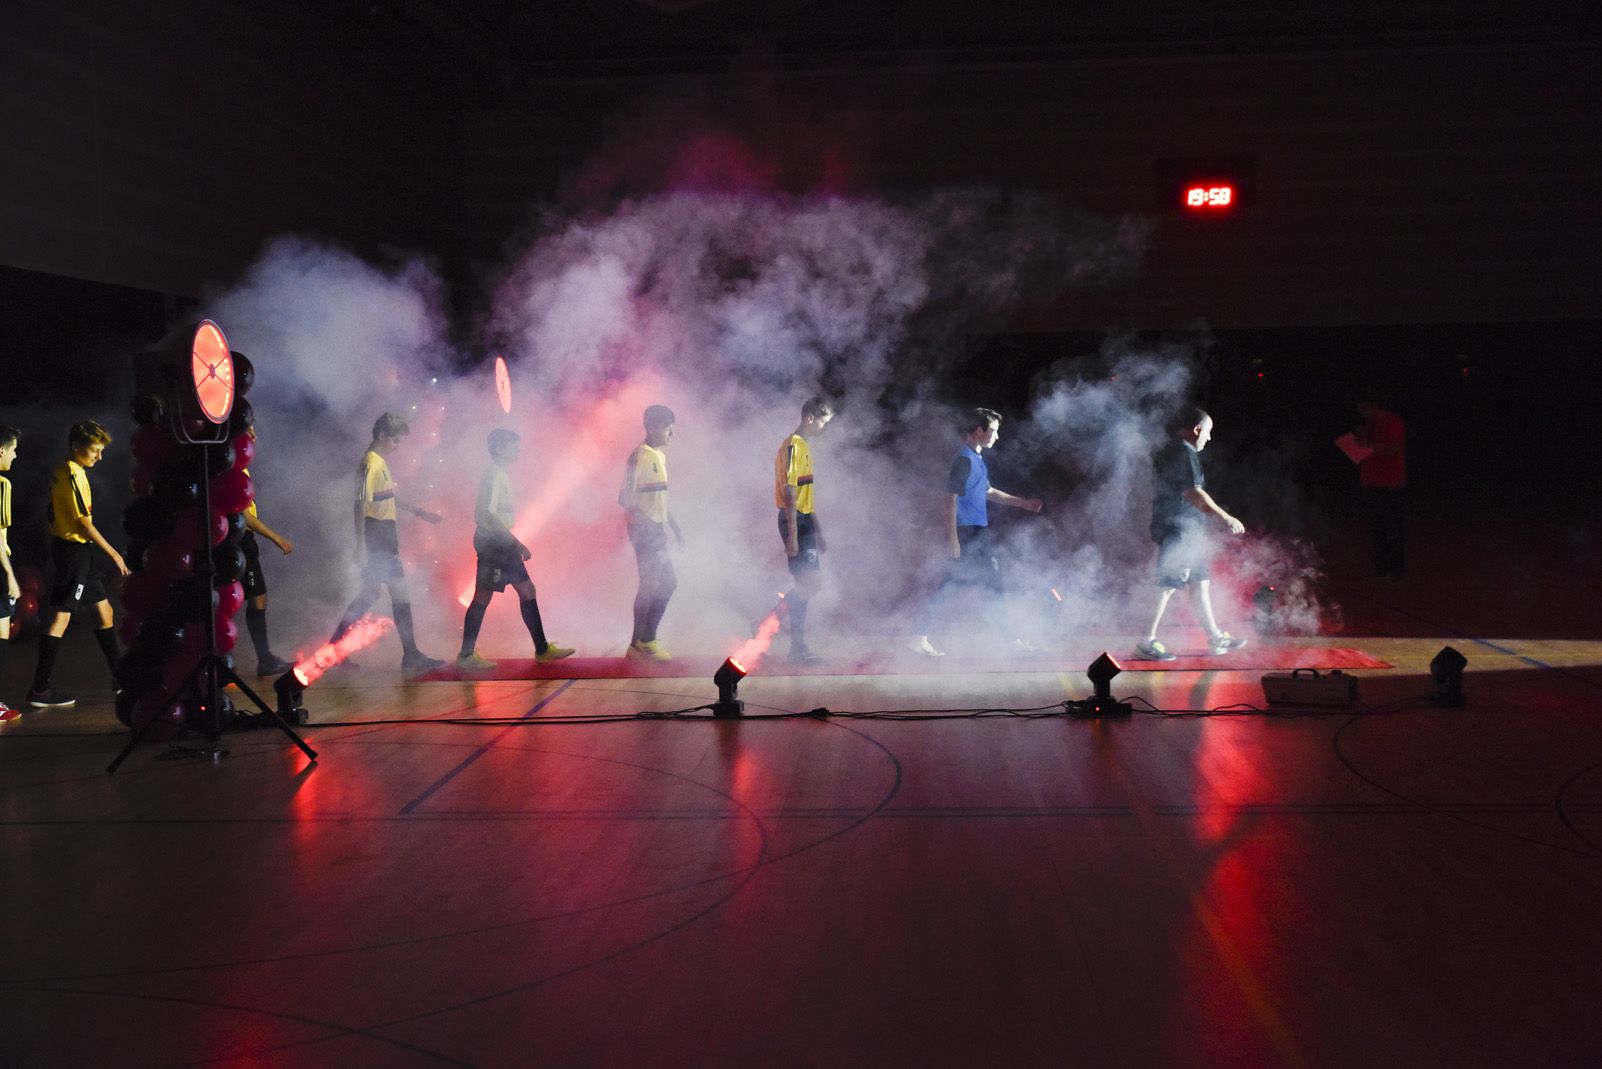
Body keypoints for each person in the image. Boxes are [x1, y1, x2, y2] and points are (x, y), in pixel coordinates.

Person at [911, 407, 1044, 657]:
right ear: (978, 431)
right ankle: (1012, 643)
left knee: (949, 585)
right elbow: (949, 498)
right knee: (990, 586)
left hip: (974, 532)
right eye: (992, 431)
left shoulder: (976, 459)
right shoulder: (964, 459)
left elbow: (989, 492)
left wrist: (1023, 503)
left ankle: (919, 636)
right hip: (968, 532)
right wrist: (953, 536)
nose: (996, 436)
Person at [328, 412, 444, 677]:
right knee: (399, 593)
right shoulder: (370, 462)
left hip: (384, 534)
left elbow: (389, 496)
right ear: (382, 436)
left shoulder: (379, 462)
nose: (398, 446)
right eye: (396, 441)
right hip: (377, 535)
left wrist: (420, 512)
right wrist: (361, 546)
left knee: (370, 594)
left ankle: (334, 649)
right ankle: (411, 655)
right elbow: (360, 504)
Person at [28, 420, 130, 708]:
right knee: (61, 616)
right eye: (94, 451)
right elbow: (83, 523)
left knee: (104, 611)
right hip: (73, 551)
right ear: (76, 448)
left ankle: (119, 678)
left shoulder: (75, 472)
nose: (99, 457)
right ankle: (39, 689)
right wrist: (114, 553)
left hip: (80, 553)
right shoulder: (71, 474)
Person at [1136, 407, 1248, 661]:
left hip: (1186, 529)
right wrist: (1225, 517)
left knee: (1200, 584)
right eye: (1208, 432)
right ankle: (1146, 642)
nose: (1209, 438)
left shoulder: (1174, 450)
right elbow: (1193, 492)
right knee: (1166, 585)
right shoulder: (1182, 452)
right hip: (1179, 529)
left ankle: (1215, 636)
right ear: (1196, 429)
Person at [456, 429, 574, 669]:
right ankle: (466, 656)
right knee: (484, 595)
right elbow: (487, 514)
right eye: (514, 446)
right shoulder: (494, 475)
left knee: (527, 590)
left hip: (499, 542)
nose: (518, 451)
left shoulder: (500, 474)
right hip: (494, 543)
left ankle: (542, 649)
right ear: (500, 449)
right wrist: (515, 542)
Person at [774, 397, 833, 664]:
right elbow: (790, 492)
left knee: (806, 585)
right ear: (810, 417)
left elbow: (806, 494)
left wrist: (817, 529)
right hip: (794, 520)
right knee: (810, 583)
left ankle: (795, 647)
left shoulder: (804, 447)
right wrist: (794, 534)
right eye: (824, 421)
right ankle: (774, 627)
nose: (824, 427)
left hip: (804, 519)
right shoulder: (793, 447)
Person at [620, 406, 682, 660]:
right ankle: (646, 640)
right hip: (644, 531)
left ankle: (638, 644)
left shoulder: (659, 456)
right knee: (665, 582)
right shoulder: (640, 456)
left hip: (655, 530)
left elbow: (660, 499)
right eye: (668, 428)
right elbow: (624, 497)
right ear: (652, 427)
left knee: (652, 584)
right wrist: (646, 524)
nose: (672, 434)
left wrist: (675, 526)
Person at [237, 424, 296, 677]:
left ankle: (265, 658)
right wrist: (275, 537)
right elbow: (243, 514)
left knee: (258, 597)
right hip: (240, 539)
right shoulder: (232, 468)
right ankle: (264, 660)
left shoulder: (241, 466)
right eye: (249, 431)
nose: (255, 436)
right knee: (254, 597)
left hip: (243, 540)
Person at [1354, 398, 1407, 579]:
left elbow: (1395, 449)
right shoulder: (1370, 424)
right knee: (1376, 527)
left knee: (1392, 527)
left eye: (1365, 407)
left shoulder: (1392, 422)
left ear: (1375, 404)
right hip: (1370, 482)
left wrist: (1368, 445)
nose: (1362, 412)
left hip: (1390, 483)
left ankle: (1396, 569)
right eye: (1360, 409)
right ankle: (1382, 567)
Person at [0, 426, 21, 721]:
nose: (15, 456)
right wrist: (10, 575)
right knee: (1, 631)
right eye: (13, 449)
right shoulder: (2, 484)